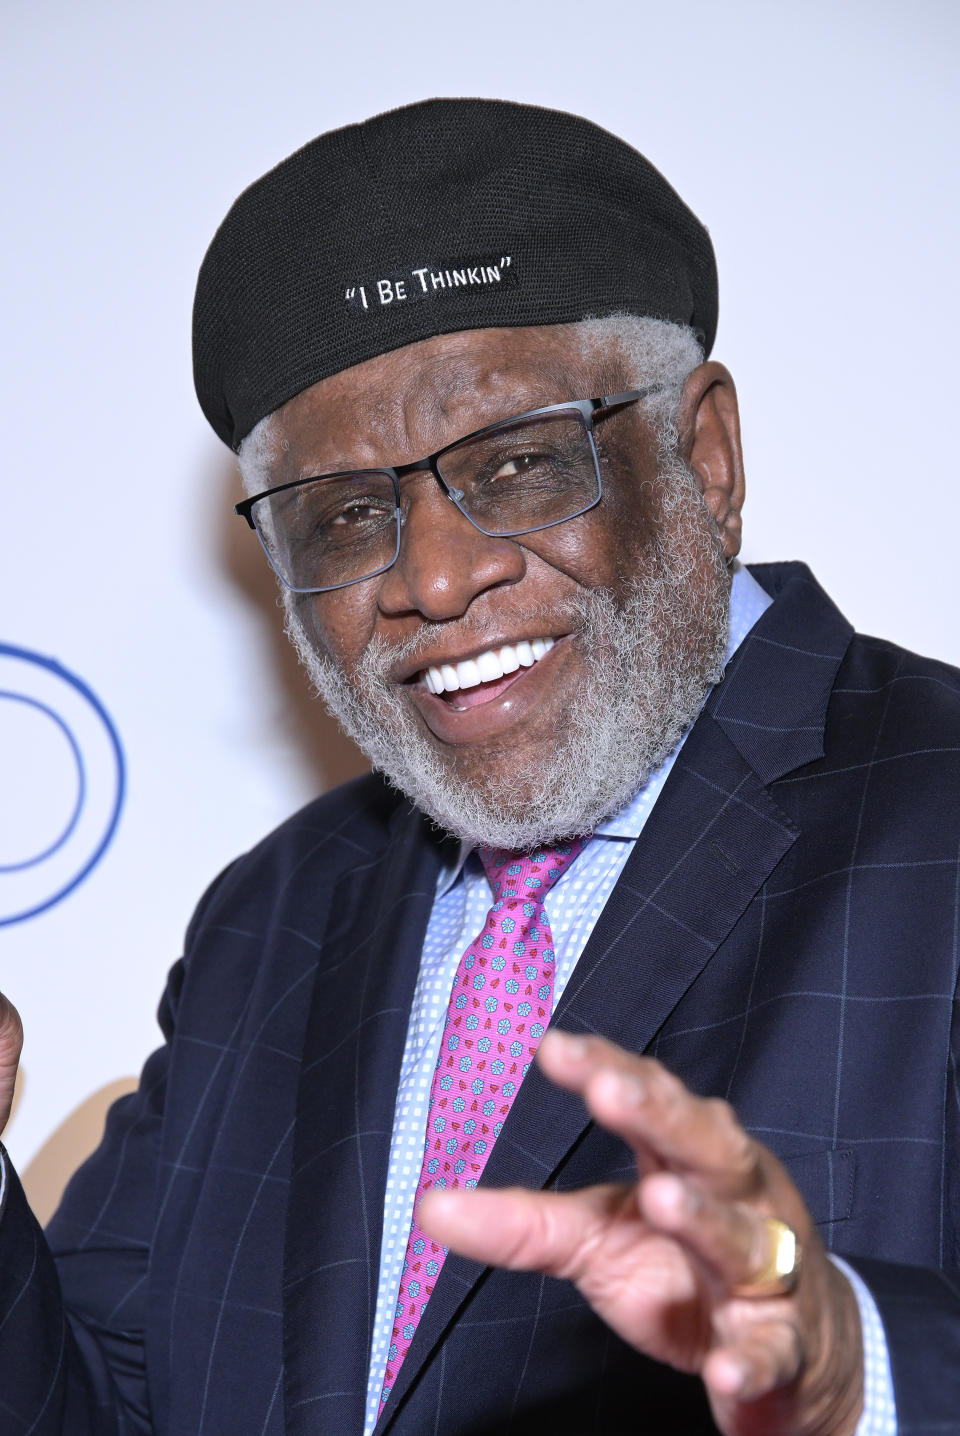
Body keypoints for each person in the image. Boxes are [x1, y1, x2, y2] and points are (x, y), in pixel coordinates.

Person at [0, 97, 958, 1435]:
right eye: (344, 516)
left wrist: (860, 1369)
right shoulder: (270, 918)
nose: (436, 580)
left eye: (516, 466)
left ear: (706, 459)